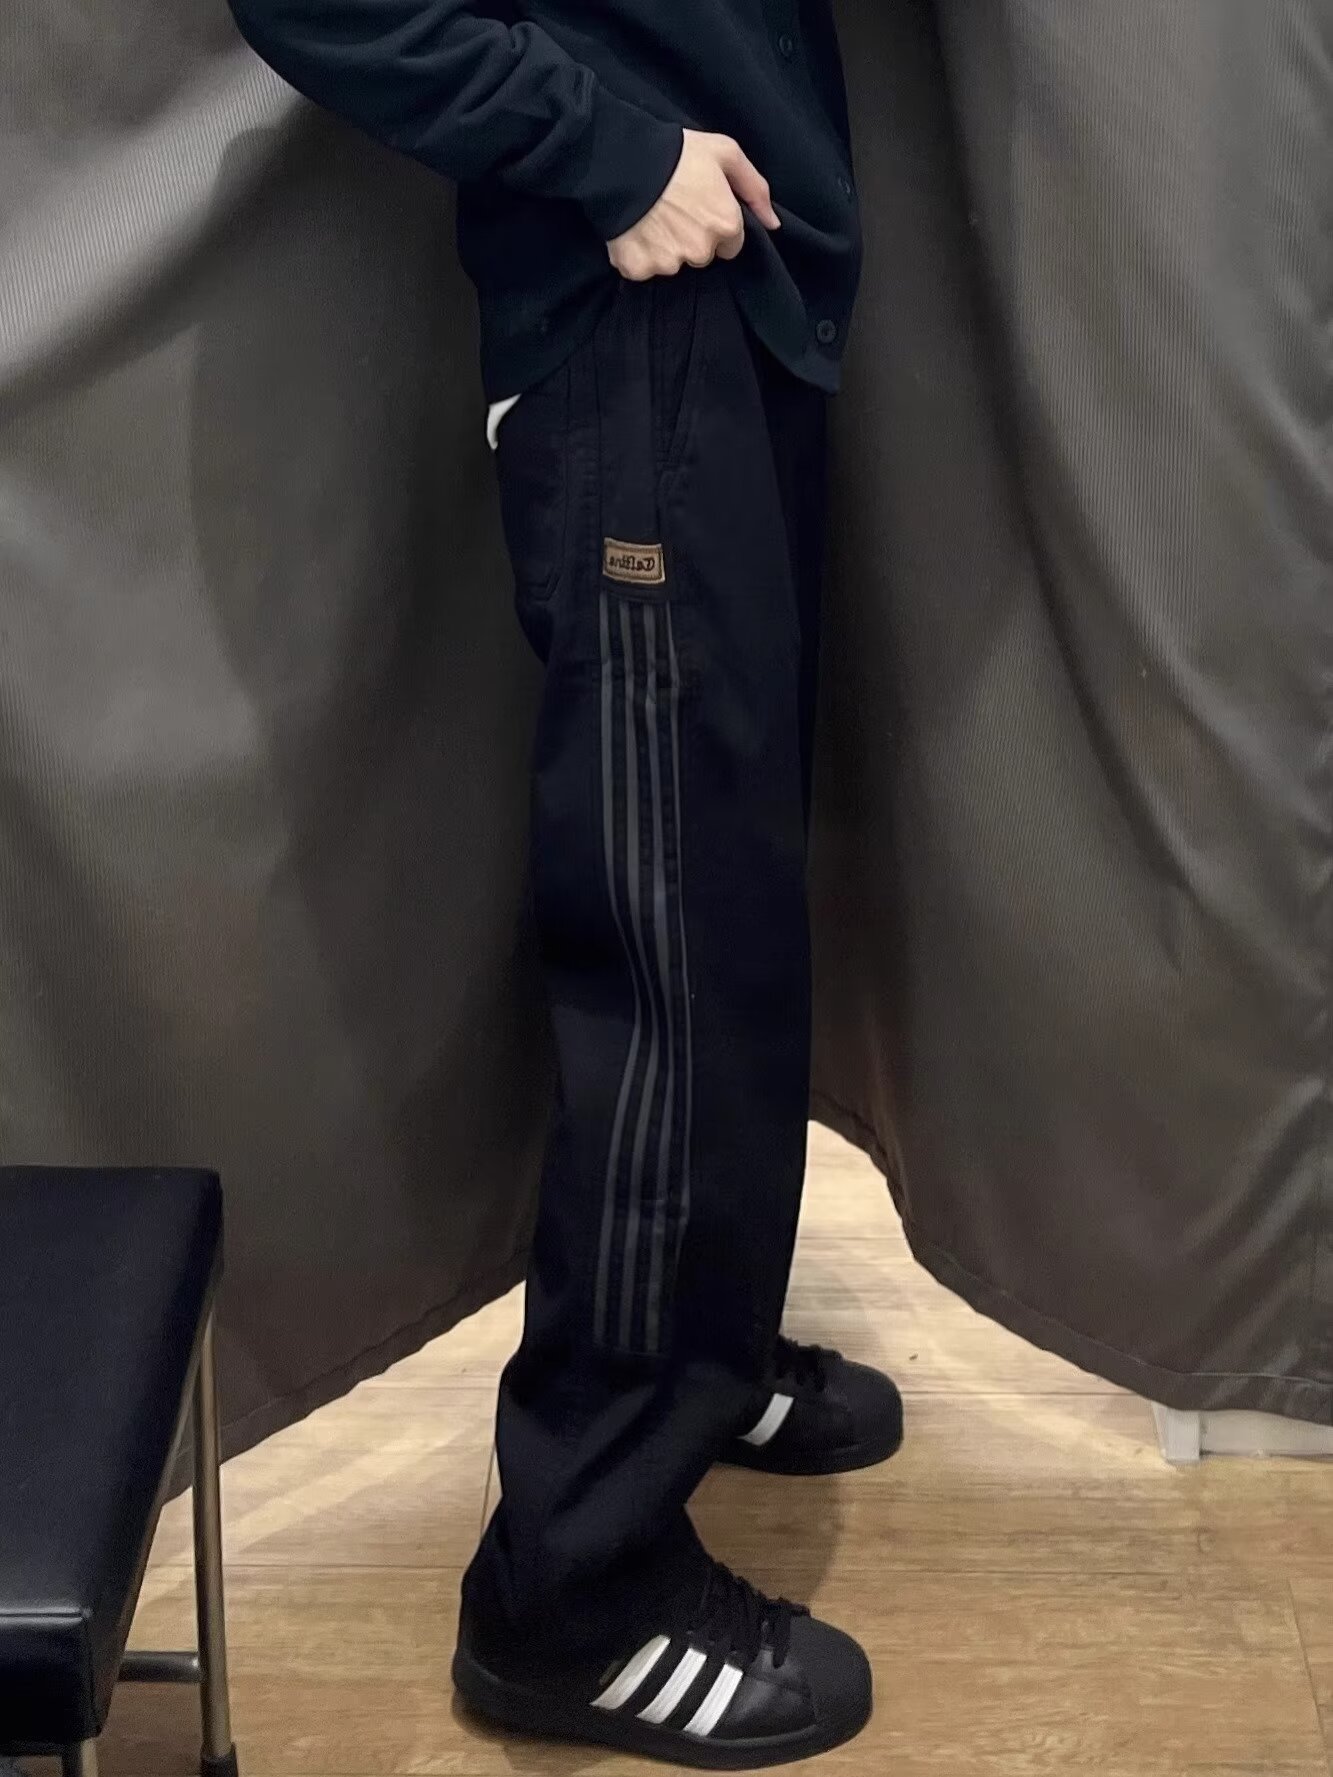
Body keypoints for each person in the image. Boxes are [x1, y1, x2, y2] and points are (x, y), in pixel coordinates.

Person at [223, 0, 903, 1764]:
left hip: (737, 302)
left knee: (730, 921)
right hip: (630, 335)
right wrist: (608, 151)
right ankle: (570, 1592)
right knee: (668, 962)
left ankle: (703, 1362)